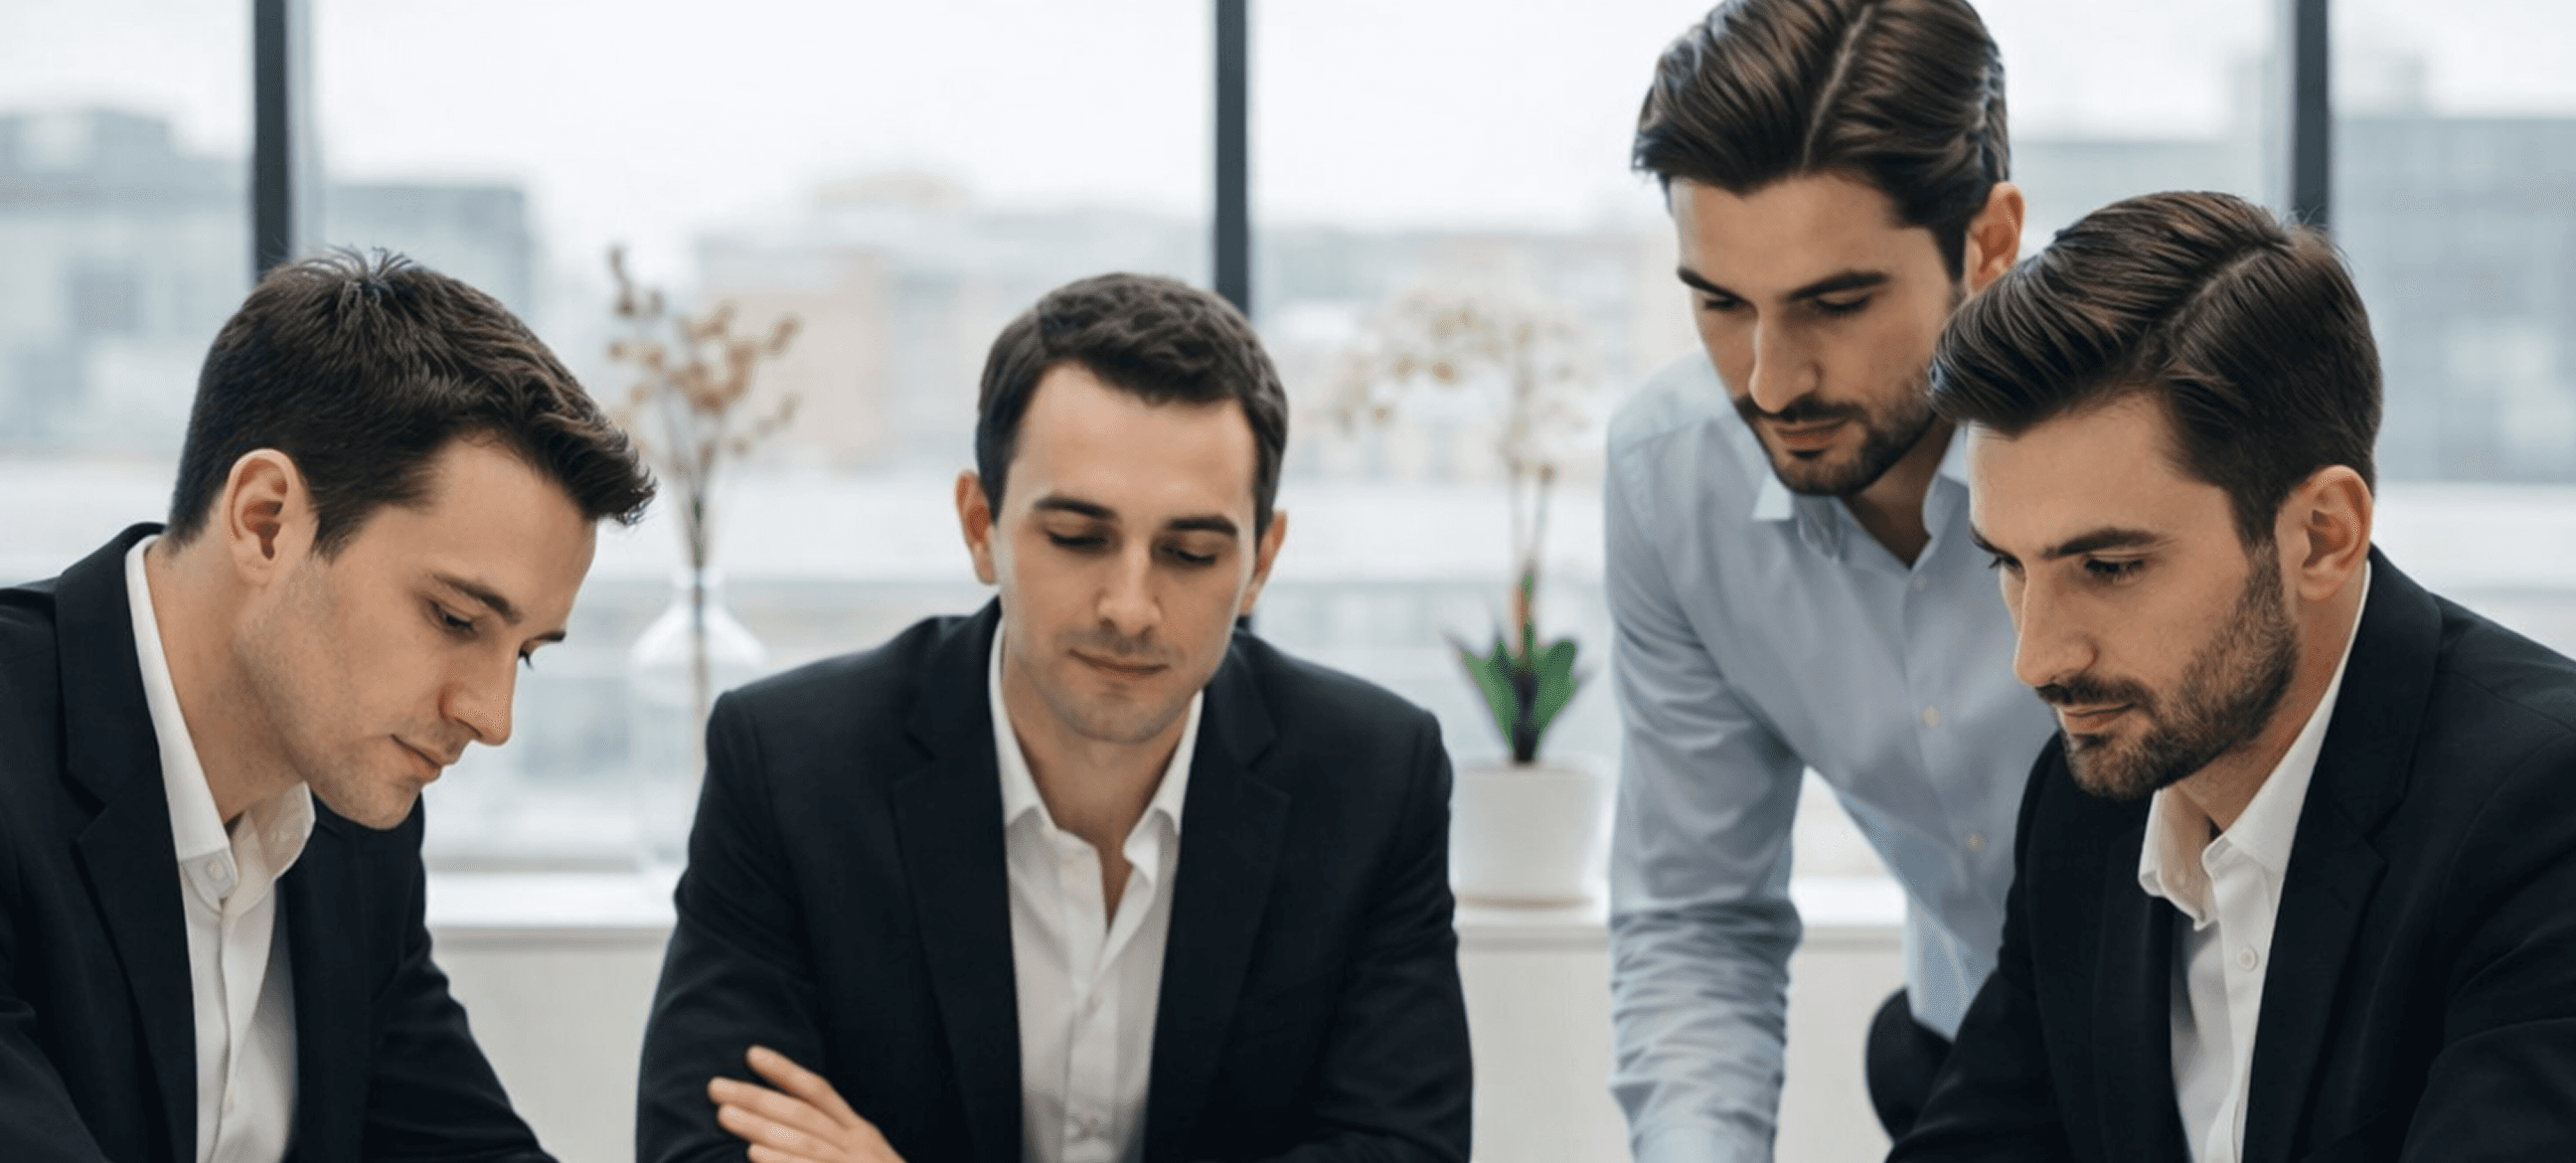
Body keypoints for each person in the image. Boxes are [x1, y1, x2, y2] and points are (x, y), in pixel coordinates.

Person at [635, 272, 1473, 1163]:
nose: (1130, 607)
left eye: (1190, 554)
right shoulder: (791, 765)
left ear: (1261, 562)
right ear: (978, 524)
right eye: (1078, 537)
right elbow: (704, 1150)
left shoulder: (1375, 777)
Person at [1894, 190, 2576, 1161]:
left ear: (2321, 536)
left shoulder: (2543, 818)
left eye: (2112, 567)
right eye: (2010, 566)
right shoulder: (2089, 801)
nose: (2039, 659)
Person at [0, 250, 655, 1162]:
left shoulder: (355, 815)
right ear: (266, 521)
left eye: (527, 656)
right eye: (456, 617)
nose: (493, 718)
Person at [1605, 0, 2050, 1153]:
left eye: (1837, 303)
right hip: (1962, 1074)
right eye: (1720, 304)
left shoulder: (2142, 444)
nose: (1769, 380)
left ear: (1989, 241)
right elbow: (1698, 918)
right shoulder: (1671, 480)